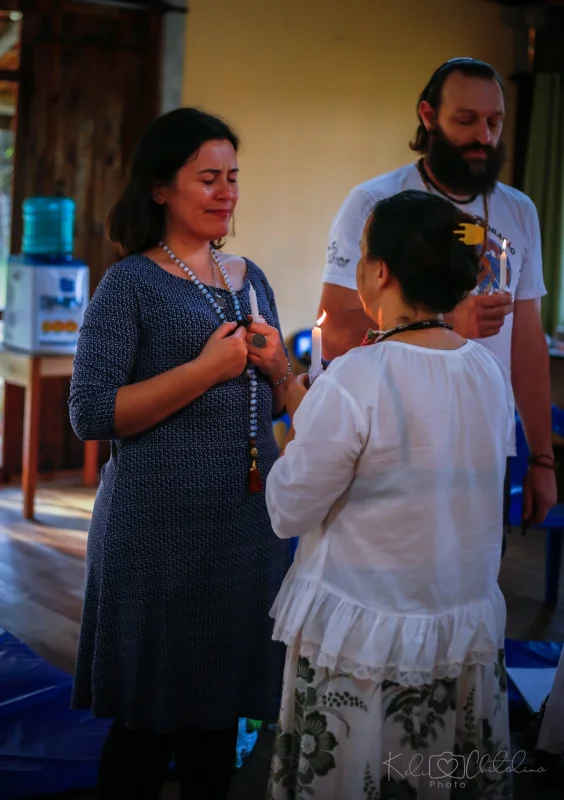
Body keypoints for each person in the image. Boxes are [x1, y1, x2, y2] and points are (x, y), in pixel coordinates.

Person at [68, 107, 293, 800]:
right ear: (161, 187)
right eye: (208, 178)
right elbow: (90, 412)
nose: (226, 192)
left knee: (217, 722)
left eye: (233, 177)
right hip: (156, 536)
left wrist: (279, 368)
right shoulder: (129, 284)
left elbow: (273, 406)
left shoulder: (250, 277)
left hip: (243, 531)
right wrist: (204, 370)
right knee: (146, 727)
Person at [265, 190, 514, 800]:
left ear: (379, 272)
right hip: (456, 626)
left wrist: (292, 434)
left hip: (365, 639)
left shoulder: (357, 376)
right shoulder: (486, 372)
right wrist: (308, 401)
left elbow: (288, 508)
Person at [318, 57, 556, 530]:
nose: (484, 137)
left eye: (494, 122)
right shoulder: (374, 204)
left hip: (484, 443)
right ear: (428, 117)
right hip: (391, 439)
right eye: (466, 120)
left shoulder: (520, 211)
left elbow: (527, 343)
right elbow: (337, 328)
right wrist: (445, 323)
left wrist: (542, 458)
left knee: (472, 570)